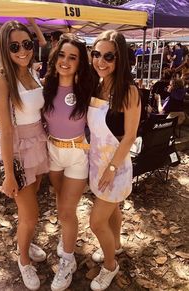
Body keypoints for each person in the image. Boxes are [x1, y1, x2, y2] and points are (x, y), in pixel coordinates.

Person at [0, 20, 49, 291]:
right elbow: (6, 130)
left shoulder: (32, 72)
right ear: (4, 48)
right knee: (31, 214)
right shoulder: (1, 80)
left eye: (27, 44)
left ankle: (26, 241)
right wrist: (9, 174)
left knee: (30, 207)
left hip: (39, 142)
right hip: (18, 149)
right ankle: (23, 259)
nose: (22, 50)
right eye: (14, 46)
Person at [88, 30, 141, 291]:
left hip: (115, 167)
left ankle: (110, 266)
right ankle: (116, 246)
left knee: (96, 222)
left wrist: (111, 168)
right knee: (113, 211)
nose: (100, 61)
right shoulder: (97, 84)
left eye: (108, 56)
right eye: (96, 54)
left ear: (120, 59)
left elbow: (130, 136)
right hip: (96, 162)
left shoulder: (128, 91)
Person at [43, 33, 93, 291]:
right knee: (60, 204)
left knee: (66, 211)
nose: (65, 61)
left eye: (72, 57)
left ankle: (68, 260)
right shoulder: (46, 85)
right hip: (52, 153)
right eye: (62, 55)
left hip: (76, 154)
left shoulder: (87, 89)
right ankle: (68, 240)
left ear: (79, 62)